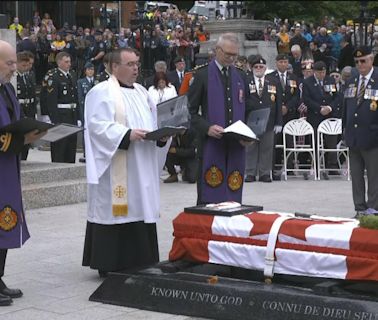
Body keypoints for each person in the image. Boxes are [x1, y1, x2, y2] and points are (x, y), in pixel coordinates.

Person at [82, 48, 168, 276]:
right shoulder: (101, 92)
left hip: (142, 164)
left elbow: (151, 122)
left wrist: (161, 136)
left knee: (139, 207)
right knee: (118, 210)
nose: (135, 69)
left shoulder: (142, 92)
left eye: (137, 64)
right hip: (117, 166)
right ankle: (111, 264)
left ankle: (141, 260)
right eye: (130, 64)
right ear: (113, 67)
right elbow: (96, 126)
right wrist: (126, 134)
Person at [0, 40, 46, 306]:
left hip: (8, 166)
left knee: (5, 221)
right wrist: (22, 141)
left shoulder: (6, 89)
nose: (14, 68)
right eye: (9, 63)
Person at [188, 33, 251, 204]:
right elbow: (190, 112)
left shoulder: (241, 76)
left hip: (235, 145)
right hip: (210, 143)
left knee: (232, 195)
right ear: (217, 50)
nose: (231, 59)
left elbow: (249, 109)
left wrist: (249, 135)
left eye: (234, 55)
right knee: (209, 195)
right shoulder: (202, 76)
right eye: (227, 54)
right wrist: (206, 128)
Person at [342, 46, 378, 216]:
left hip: (373, 137)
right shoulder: (351, 81)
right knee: (356, 177)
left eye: (363, 61)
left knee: (374, 177)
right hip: (354, 137)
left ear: (371, 60)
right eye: (357, 62)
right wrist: (345, 132)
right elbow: (346, 109)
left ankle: (373, 209)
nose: (360, 65)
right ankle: (359, 208)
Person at [244, 55, 282, 183]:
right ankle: (250, 172)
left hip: (269, 121)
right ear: (252, 68)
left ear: (265, 68)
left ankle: (265, 173)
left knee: (267, 147)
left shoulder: (273, 82)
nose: (259, 68)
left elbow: (278, 103)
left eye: (261, 66)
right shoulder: (246, 80)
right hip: (251, 120)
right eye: (256, 66)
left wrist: (278, 122)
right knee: (250, 147)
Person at [303, 60, 339, 180]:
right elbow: (306, 99)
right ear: (314, 72)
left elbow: (336, 97)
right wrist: (319, 108)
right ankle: (316, 166)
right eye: (319, 72)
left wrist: (329, 107)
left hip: (329, 115)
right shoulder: (307, 82)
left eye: (323, 72)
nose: (322, 75)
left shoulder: (330, 80)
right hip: (315, 115)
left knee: (331, 141)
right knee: (315, 142)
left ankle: (331, 166)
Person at [43, 51, 79, 163]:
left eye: (70, 61)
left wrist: (77, 116)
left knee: (71, 144)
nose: (69, 64)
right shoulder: (52, 76)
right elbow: (50, 98)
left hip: (71, 114)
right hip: (60, 114)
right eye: (66, 62)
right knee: (60, 145)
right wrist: (51, 117)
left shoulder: (72, 74)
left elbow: (75, 97)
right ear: (59, 62)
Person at [270, 53, 300, 180]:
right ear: (276, 63)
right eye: (280, 62)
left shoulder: (294, 77)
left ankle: (290, 167)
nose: (283, 64)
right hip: (275, 115)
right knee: (273, 141)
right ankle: (272, 168)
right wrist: (278, 108)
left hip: (289, 114)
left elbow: (297, 96)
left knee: (289, 142)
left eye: (285, 62)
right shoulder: (270, 77)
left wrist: (287, 107)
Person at [16, 51, 37, 160]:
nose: (25, 68)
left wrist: (34, 115)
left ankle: (24, 159)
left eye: (27, 65)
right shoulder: (15, 77)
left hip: (29, 110)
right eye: (23, 65)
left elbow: (32, 96)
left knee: (27, 142)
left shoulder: (28, 76)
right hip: (20, 110)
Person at [77, 61, 95, 163]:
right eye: (88, 69)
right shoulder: (81, 82)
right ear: (85, 71)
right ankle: (86, 153)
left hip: (96, 111)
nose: (90, 71)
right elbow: (80, 98)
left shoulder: (97, 82)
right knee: (86, 132)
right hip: (86, 110)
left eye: (92, 69)